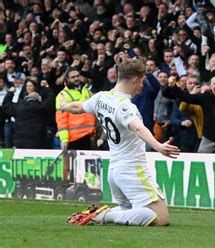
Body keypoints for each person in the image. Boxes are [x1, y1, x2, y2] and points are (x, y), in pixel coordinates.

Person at [63, 59, 180, 226]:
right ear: (135, 80)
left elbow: (78, 107)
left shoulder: (101, 97)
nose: (142, 86)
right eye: (142, 81)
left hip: (114, 170)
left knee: (128, 210)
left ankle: (100, 212)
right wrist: (159, 146)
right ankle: (104, 216)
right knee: (160, 218)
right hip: (132, 169)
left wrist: (63, 106)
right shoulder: (125, 107)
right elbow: (139, 128)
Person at [55, 68, 96, 150]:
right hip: (73, 137)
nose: (76, 78)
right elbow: (61, 120)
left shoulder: (86, 91)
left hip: (88, 135)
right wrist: (64, 139)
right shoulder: (63, 95)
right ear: (67, 79)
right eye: (73, 77)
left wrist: (93, 132)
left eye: (77, 76)